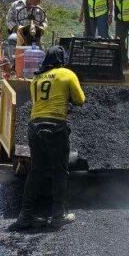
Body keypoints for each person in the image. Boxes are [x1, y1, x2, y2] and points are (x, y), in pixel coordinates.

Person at [12, 46, 85, 230]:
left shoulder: (36, 78)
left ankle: (25, 216)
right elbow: (80, 100)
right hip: (55, 127)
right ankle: (58, 216)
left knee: (36, 171)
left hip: (34, 126)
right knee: (59, 172)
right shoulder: (67, 74)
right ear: (61, 59)